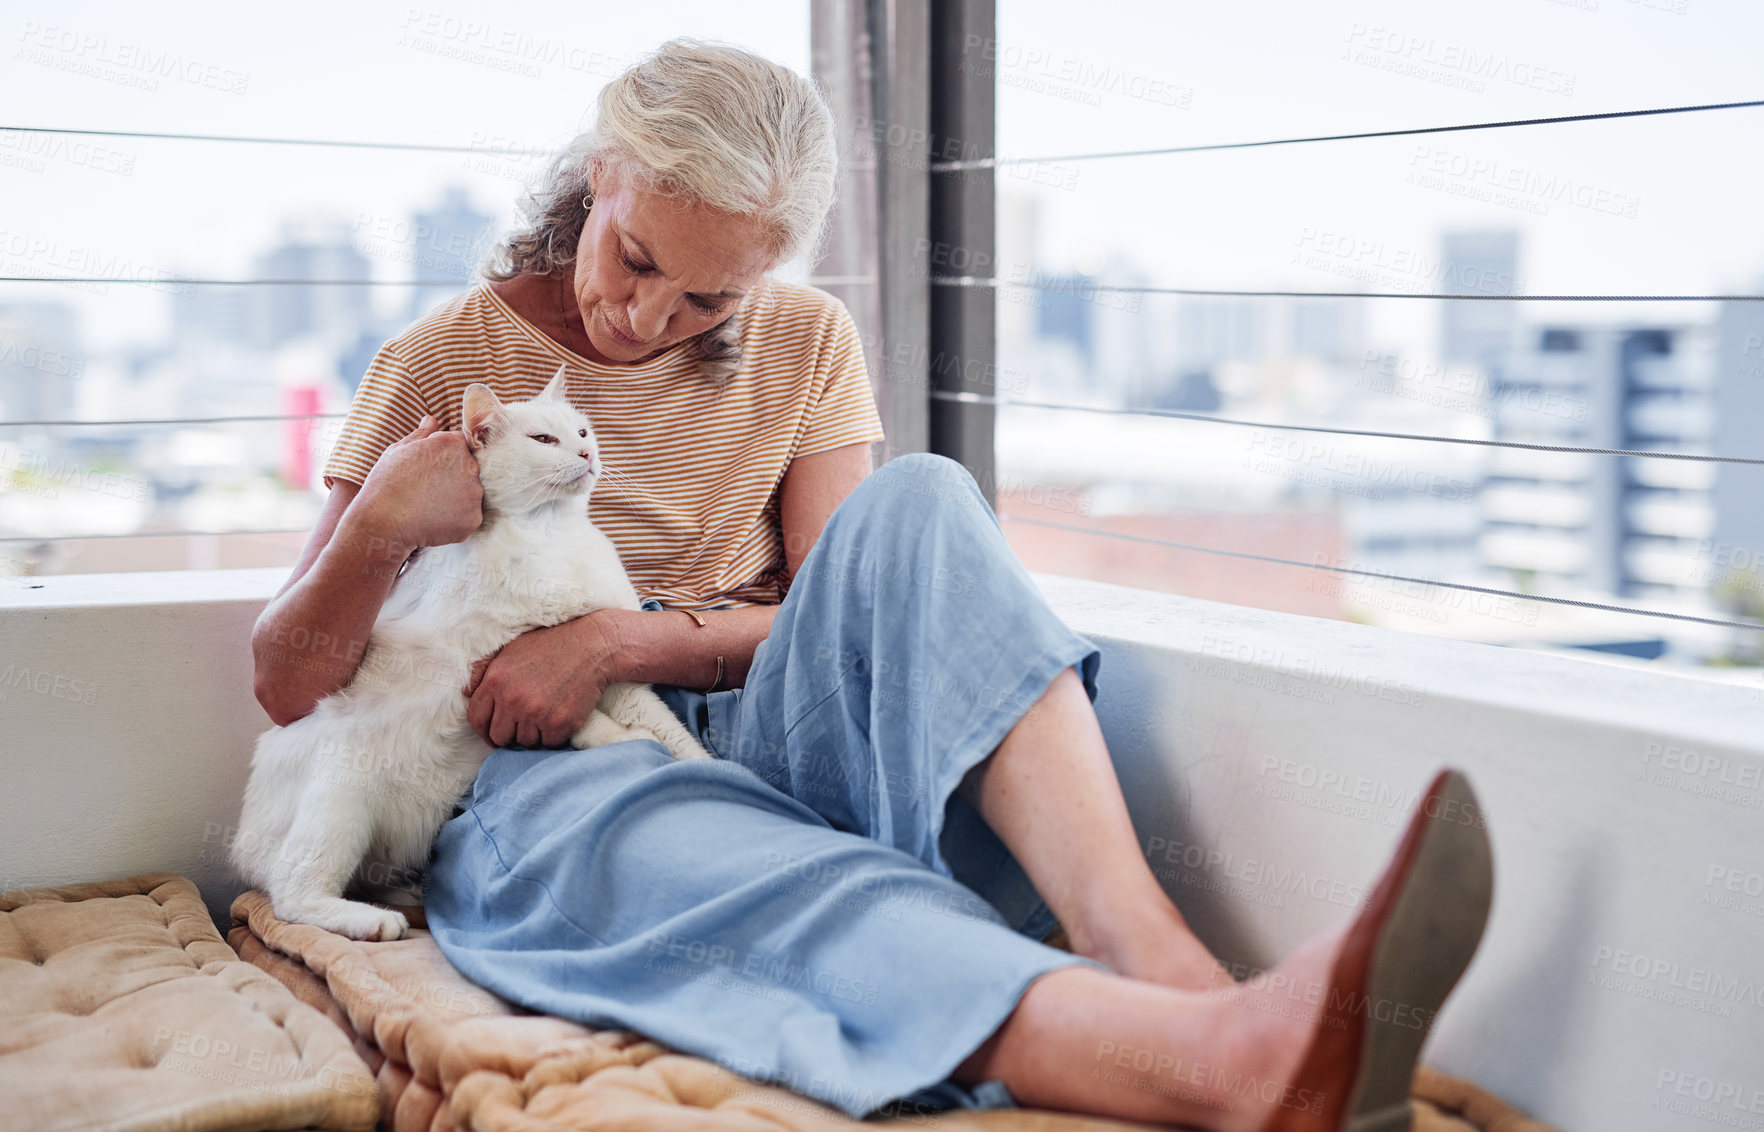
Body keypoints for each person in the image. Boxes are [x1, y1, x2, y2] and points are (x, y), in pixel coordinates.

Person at [251, 38, 1493, 1132]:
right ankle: (1213, 1065)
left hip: (748, 714)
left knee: (924, 500)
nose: (646, 317)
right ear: (603, 170)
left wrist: (625, 641)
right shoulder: (443, 364)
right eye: (634, 259)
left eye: (709, 297)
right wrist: (375, 527)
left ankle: (1155, 956)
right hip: (536, 770)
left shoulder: (806, 342)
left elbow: (837, 607)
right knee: (716, 855)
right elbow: (285, 683)